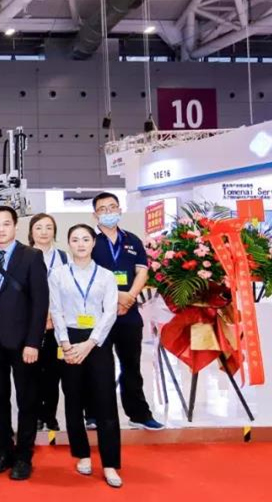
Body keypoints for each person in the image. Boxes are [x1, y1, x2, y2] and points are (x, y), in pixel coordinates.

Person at [0, 206, 48, 481]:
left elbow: (40, 302)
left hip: (23, 342)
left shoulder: (32, 256)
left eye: (6, 223)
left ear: (15, 226)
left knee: (26, 400)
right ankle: (3, 452)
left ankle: (24, 457)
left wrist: (34, 342)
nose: (1, 229)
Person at [51, 224, 122, 488]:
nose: (80, 244)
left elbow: (110, 312)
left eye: (85, 239)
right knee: (73, 400)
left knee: (105, 402)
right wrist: (66, 343)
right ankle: (82, 454)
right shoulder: (58, 274)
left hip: (98, 340)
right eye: (75, 239)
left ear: (93, 243)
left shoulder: (106, 276)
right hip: (68, 339)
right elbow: (56, 310)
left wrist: (91, 343)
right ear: (68, 243)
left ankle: (110, 463)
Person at [90, 192, 164, 430]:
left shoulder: (132, 240)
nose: (108, 212)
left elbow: (142, 271)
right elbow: (87, 275)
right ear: (95, 215)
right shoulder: (90, 241)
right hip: (99, 314)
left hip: (129, 313)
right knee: (99, 367)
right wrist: (115, 298)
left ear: (120, 210)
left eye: (112, 207)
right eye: (103, 209)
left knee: (131, 366)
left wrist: (130, 296)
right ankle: (95, 414)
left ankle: (139, 414)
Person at [28, 213, 67, 433]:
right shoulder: (24, 256)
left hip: (56, 325)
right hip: (30, 325)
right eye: (39, 227)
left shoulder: (63, 257)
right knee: (31, 373)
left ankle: (49, 415)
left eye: (48, 228)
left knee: (53, 374)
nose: (44, 232)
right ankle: (34, 415)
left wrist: (53, 316)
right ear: (31, 232)